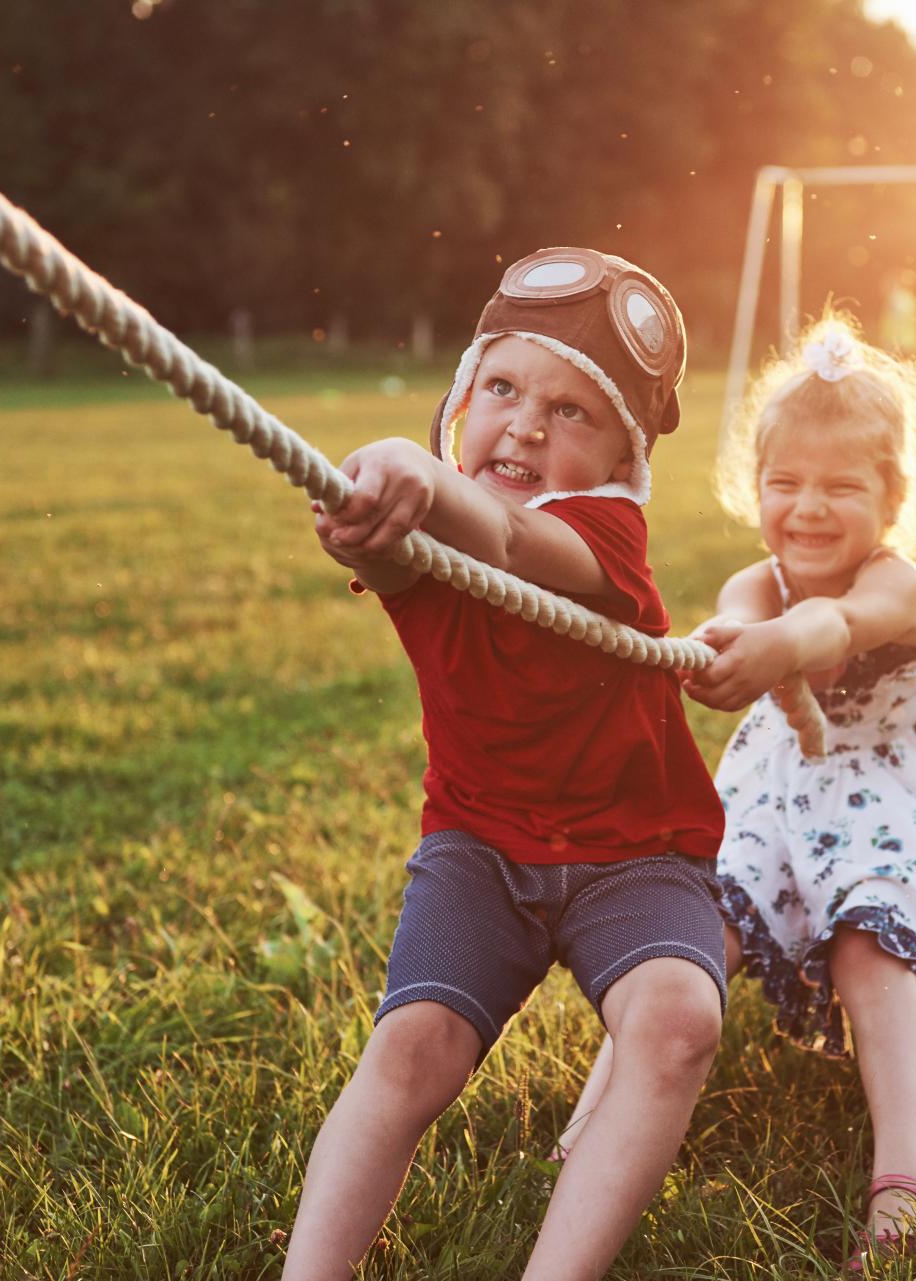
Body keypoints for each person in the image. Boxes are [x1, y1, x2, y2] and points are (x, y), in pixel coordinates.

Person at [284, 247, 729, 1281]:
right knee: (412, 1049)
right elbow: (382, 549)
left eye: (572, 412)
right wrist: (362, 518)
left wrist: (416, 468)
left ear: (622, 460)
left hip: (637, 857)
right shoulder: (429, 526)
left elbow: (512, 544)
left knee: (676, 1021)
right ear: (462, 399)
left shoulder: (603, 533)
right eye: (502, 388)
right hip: (479, 846)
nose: (526, 424)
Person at [556, 315, 916, 1273]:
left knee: (869, 941)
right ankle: (588, 1131)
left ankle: (909, 1177)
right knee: (699, 932)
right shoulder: (756, 583)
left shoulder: (894, 581)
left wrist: (785, 645)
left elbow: (844, 621)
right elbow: (740, 618)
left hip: (900, 799)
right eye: (786, 484)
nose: (808, 508)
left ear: (892, 498)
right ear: (754, 487)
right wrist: (735, 642)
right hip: (784, 792)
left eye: (841, 486)